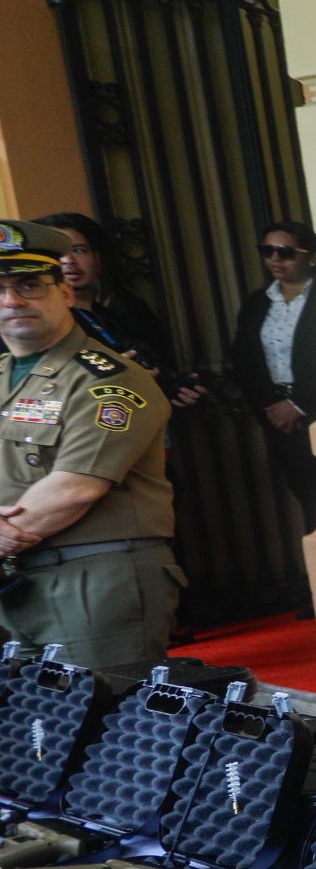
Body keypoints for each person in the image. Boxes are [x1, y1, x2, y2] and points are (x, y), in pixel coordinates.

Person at [0, 220, 181, 671]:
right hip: (17, 581)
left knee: (104, 711)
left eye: (29, 286)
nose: (12, 301)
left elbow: (76, 488)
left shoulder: (110, 379)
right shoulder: (4, 373)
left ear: (64, 292)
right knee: (33, 716)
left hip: (93, 580)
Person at [229, 219, 316, 534]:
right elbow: (244, 361)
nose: (275, 259)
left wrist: (298, 404)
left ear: (312, 256)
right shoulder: (258, 302)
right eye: (267, 250)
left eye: (285, 252)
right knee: (308, 499)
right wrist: (271, 409)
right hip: (280, 421)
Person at [35, 211, 176, 373]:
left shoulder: (117, 314)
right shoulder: (39, 322)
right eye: (57, 253)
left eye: (79, 250)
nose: (68, 260)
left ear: (97, 259)